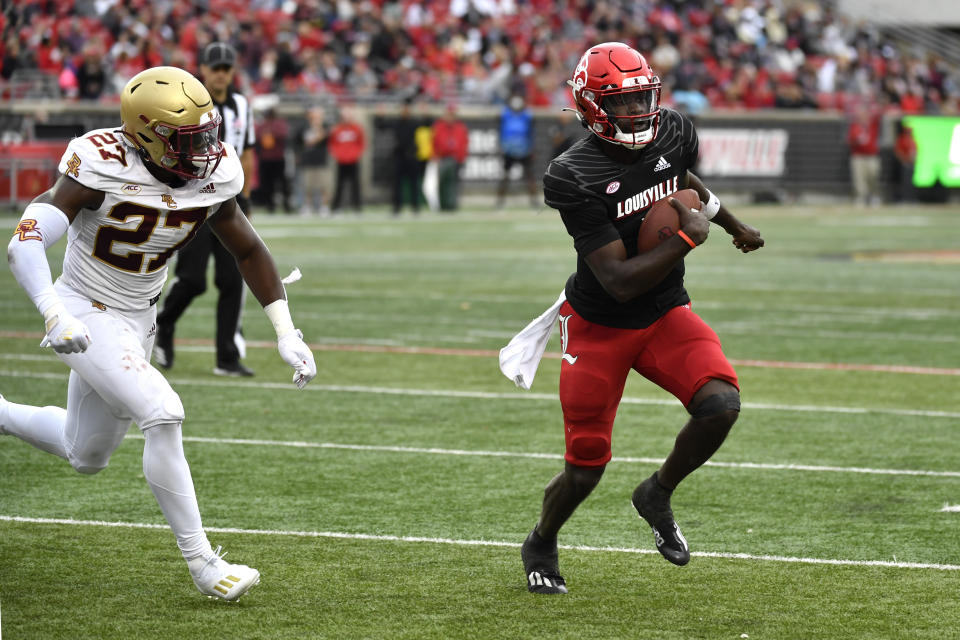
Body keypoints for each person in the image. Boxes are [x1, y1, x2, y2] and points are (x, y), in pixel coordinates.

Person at [2, 66, 317, 601]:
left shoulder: (212, 172)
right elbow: (24, 243)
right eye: (189, 138)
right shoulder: (98, 161)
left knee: (87, 454)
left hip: (139, 316)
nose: (206, 148)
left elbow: (248, 248)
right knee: (163, 412)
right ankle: (204, 564)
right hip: (86, 306)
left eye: (207, 132)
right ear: (147, 134)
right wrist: (55, 312)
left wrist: (285, 331)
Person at [509, 43, 764, 594]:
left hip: (664, 310)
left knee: (720, 405)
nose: (638, 112)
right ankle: (542, 539)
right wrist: (688, 240)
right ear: (593, 107)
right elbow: (618, 280)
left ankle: (657, 491)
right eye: (623, 103)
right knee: (585, 466)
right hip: (601, 324)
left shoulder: (672, 130)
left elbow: (682, 178)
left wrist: (730, 223)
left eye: (643, 97)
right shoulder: (572, 173)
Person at [154, 42, 257, 377]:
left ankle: (226, 356)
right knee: (193, 279)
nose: (222, 74)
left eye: (227, 68)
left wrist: (246, 198)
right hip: (195, 202)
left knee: (232, 279)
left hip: (229, 203)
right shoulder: (187, 104)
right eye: (216, 68)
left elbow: (247, 153)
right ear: (203, 70)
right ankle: (163, 325)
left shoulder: (241, 104)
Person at [496, 92, 538, 210]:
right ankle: (500, 201)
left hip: (524, 149)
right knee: (505, 176)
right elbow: (501, 132)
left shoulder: (527, 115)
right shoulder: (506, 114)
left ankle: (534, 201)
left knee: (529, 176)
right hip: (509, 150)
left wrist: (532, 148)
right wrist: (501, 146)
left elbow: (531, 133)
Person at [432, 103, 469, 211]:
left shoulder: (460, 127)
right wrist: (435, 156)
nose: (450, 117)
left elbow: (464, 143)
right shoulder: (439, 126)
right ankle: (442, 205)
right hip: (443, 158)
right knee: (442, 182)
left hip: (455, 158)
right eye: (449, 114)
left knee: (453, 184)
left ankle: (453, 205)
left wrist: (461, 157)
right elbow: (434, 142)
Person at [328, 107, 365, 214]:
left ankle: (357, 207)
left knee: (355, 184)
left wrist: (355, 154)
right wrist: (338, 155)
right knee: (339, 185)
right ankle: (336, 207)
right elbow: (332, 144)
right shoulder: (337, 129)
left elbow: (361, 143)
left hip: (353, 160)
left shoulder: (356, 128)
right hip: (341, 161)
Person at [256, 106, 292, 213]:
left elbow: (283, 135)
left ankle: (286, 205)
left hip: (277, 158)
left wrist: (270, 133)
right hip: (266, 158)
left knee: (282, 183)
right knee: (268, 184)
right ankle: (270, 205)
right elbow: (257, 138)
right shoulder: (263, 126)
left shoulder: (278, 124)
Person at [391, 98, 423, 215]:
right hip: (399, 156)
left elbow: (428, 124)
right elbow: (381, 125)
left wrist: (424, 113)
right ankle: (397, 207)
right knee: (397, 183)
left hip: (411, 156)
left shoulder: (414, 122)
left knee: (414, 183)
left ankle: (415, 207)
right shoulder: (397, 122)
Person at [297, 106, 332, 216]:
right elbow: (303, 142)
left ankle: (324, 206)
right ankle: (307, 206)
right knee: (308, 186)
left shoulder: (325, 126)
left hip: (321, 160)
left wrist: (318, 126)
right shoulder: (304, 127)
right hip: (308, 160)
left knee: (324, 186)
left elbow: (322, 137)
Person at [847, 104, 881, 206]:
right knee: (859, 178)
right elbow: (850, 141)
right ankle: (860, 197)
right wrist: (857, 141)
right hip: (858, 156)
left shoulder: (872, 125)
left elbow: (879, 113)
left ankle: (873, 195)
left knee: (873, 175)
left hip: (871, 156)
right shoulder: (855, 126)